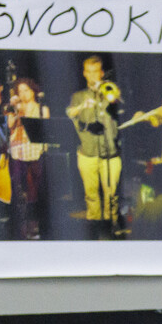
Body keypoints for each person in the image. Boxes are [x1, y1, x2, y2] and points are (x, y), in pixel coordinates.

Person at [67, 55, 124, 231]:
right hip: (87, 152)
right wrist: (82, 106)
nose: (92, 76)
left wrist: (110, 95)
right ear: (84, 73)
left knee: (112, 195)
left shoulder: (110, 92)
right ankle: (95, 227)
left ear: (101, 73)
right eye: (89, 72)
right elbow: (70, 113)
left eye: (96, 72)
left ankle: (111, 226)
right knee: (91, 195)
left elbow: (120, 104)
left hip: (111, 153)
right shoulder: (78, 96)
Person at [5, 77, 50, 240]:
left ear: (33, 91)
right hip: (18, 150)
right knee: (19, 187)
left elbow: (45, 130)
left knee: (35, 188)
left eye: (26, 90)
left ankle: (35, 224)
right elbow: (10, 125)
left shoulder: (42, 108)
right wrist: (15, 110)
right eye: (20, 91)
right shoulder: (14, 108)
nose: (23, 94)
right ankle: (21, 225)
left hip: (35, 150)